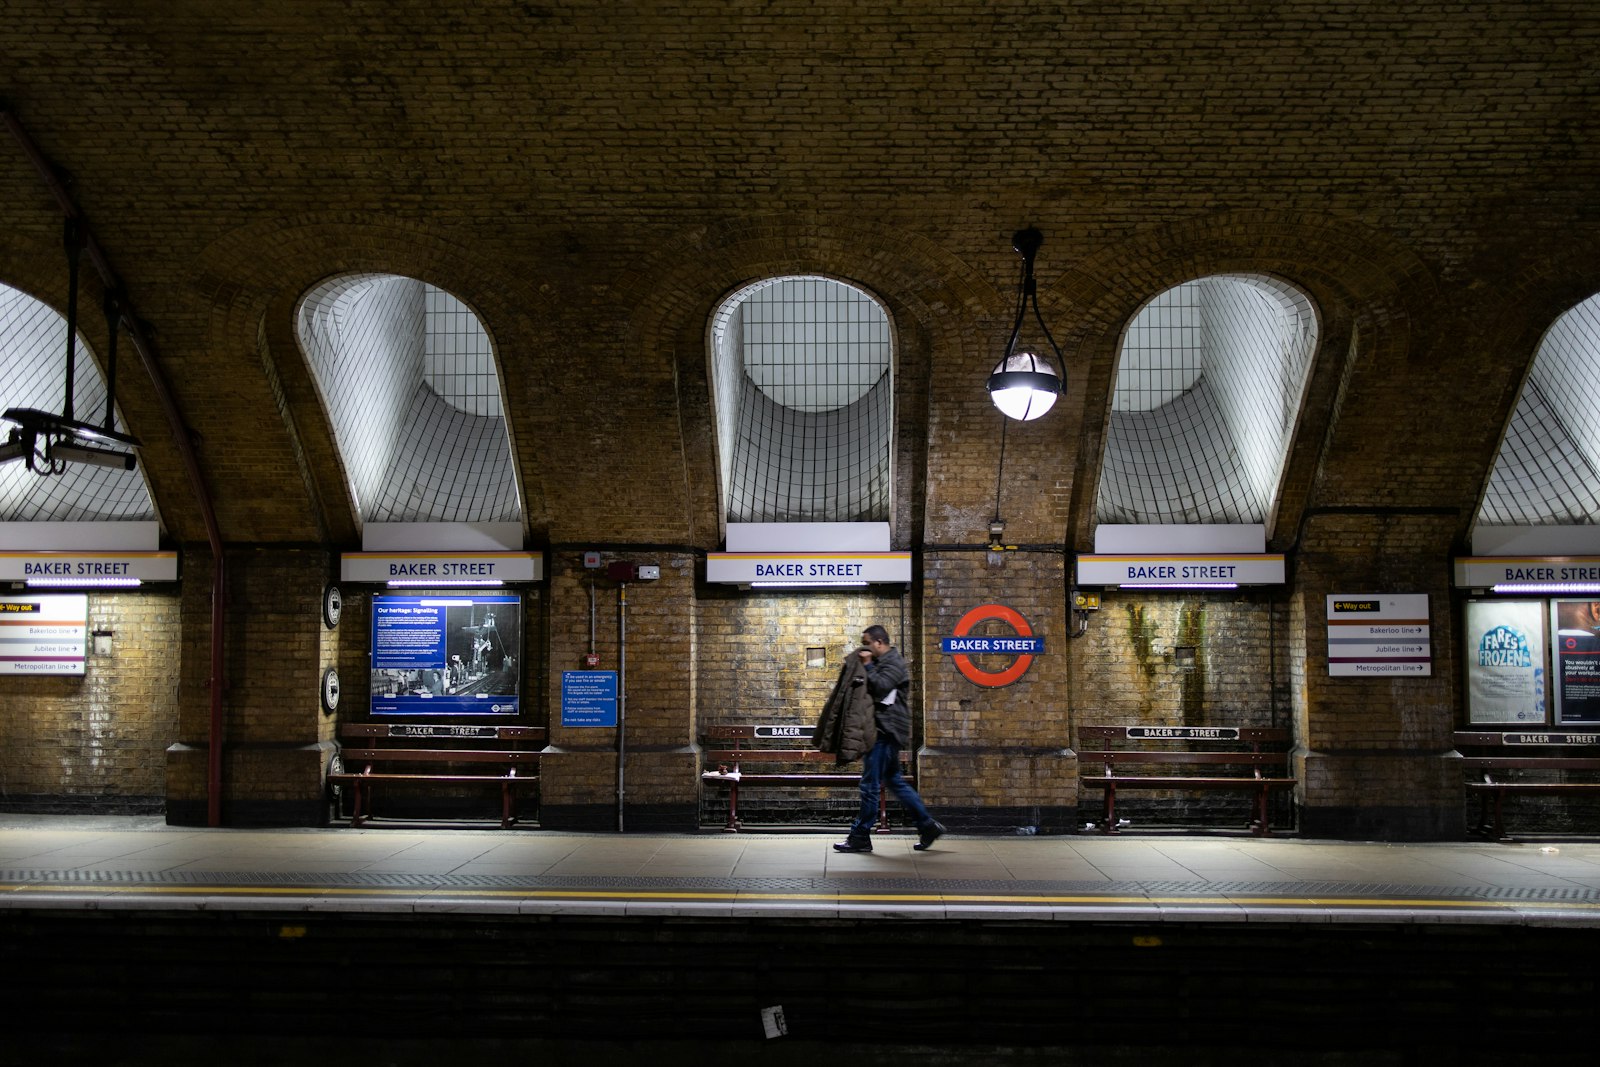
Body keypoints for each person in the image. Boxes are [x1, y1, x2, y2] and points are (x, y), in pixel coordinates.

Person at [834, 625, 947, 854]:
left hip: (886, 732)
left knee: (869, 785)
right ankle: (927, 826)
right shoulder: (884, 663)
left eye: (867, 643)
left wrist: (867, 665)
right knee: (894, 781)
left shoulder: (894, 663)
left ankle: (860, 836)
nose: (865, 648)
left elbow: (881, 688)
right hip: (885, 731)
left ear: (878, 642)